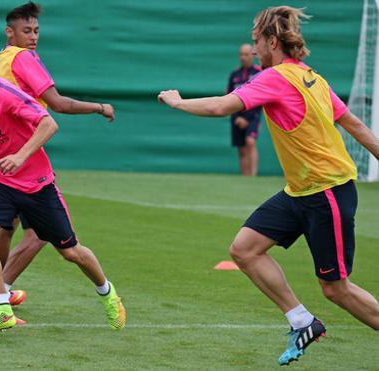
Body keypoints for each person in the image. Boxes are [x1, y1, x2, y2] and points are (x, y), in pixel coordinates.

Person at [158, 6, 379, 366]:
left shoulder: (276, 78)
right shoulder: (312, 78)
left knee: (335, 289)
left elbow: (221, 107)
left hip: (328, 193)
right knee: (245, 249)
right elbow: (355, 125)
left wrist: (178, 101)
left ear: (272, 42)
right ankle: (302, 321)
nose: (253, 48)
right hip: (301, 191)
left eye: (256, 41)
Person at [0, 44, 126, 334]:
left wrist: (21, 156)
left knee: (72, 253)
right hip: (0, 183)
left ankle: (108, 293)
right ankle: (1, 307)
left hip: (37, 186)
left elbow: (49, 124)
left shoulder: (5, 94)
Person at [0, 1, 116, 318]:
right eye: (27, 30)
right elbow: (58, 104)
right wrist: (98, 107)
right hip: (22, 158)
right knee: (38, 234)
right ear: (10, 33)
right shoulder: (23, 58)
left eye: (37, 30)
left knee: (4, 229)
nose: (34, 36)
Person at [227, 44, 262, 176]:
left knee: (250, 142)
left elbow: (261, 99)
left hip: (253, 116)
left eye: (246, 54)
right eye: (241, 54)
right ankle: (245, 177)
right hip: (237, 117)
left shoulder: (259, 73)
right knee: (241, 149)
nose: (243, 57)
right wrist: (237, 118)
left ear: (252, 55)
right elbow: (228, 97)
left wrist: (248, 119)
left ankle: (253, 176)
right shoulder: (234, 75)